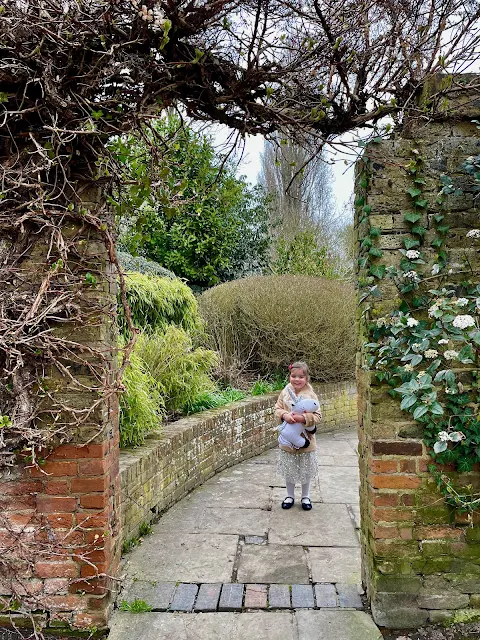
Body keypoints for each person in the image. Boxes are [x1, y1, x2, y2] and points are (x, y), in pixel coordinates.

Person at [274, 361, 322, 511]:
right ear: (289, 376)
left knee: (305, 469)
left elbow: (318, 416)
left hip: (306, 439)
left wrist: (305, 419)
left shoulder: (311, 395)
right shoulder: (285, 392)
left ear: (306, 378)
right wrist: (284, 415)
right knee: (290, 469)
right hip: (288, 441)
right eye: (293, 376)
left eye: (301, 376)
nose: (297, 379)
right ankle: (290, 496)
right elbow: (277, 409)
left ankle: (305, 496)